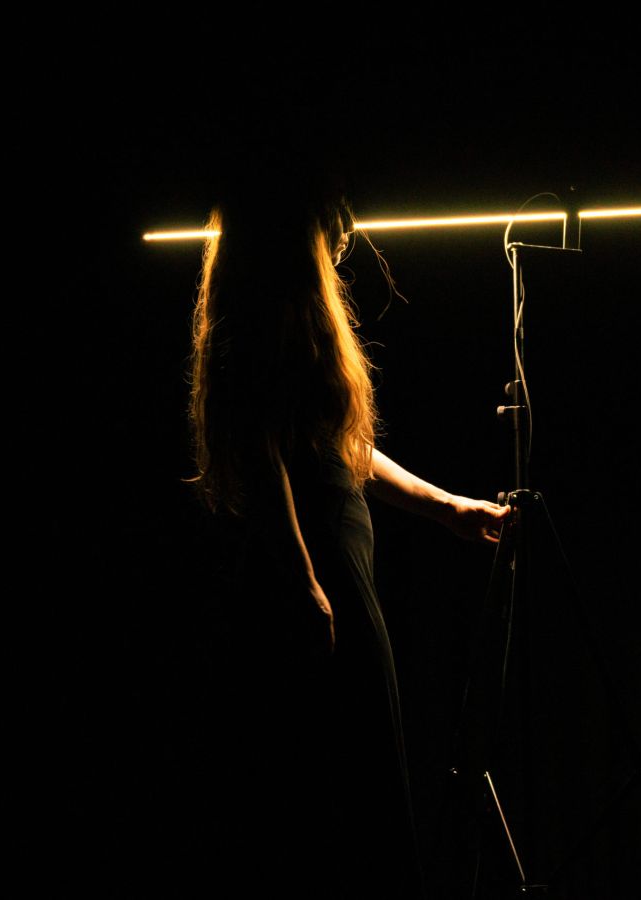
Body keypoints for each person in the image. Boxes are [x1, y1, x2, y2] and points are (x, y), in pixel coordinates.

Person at [185, 172, 509, 895]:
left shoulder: (292, 319)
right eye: (331, 224)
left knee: (360, 775)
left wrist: (448, 508)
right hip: (318, 564)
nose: (343, 238)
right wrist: (303, 579)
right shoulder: (257, 316)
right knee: (338, 784)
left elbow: (340, 447)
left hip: (335, 560)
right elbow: (262, 453)